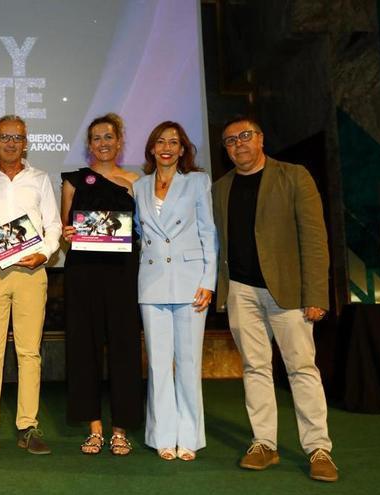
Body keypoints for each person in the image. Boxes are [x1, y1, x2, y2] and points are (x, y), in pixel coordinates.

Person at [213, 116, 337, 482]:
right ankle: (264, 443)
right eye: (230, 141)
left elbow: (315, 240)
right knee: (254, 368)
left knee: (301, 368)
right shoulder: (220, 188)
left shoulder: (294, 176)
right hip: (241, 290)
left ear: (261, 138)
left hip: (289, 293)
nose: (238, 145)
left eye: (245, 136)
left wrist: (316, 294)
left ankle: (318, 448)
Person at [0, 115, 62, 456]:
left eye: (17, 137)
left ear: (26, 142)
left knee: (29, 352)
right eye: (4, 137)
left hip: (32, 272)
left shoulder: (40, 179)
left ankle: (27, 426)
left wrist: (45, 254)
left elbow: (53, 225)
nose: (10, 143)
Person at [60, 113, 143, 456]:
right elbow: (66, 229)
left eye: (109, 137)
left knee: (124, 348)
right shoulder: (73, 181)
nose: (103, 143)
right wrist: (66, 234)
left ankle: (120, 428)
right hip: (83, 272)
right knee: (84, 347)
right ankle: (94, 427)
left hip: (123, 272)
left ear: (120, 141)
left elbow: (144, 228)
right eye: (96, 138)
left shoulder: (137, 181)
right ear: (89, 144)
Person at [134, 121, 217, 461]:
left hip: (190, 281)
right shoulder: (139, 186)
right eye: (160, 142)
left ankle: (190, 437)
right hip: (151, 282)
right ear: (152, 149)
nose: (166, 147)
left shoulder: (197, 182)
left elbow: (208, 232)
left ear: (183, 149)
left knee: (187, 362)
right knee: (157, 364)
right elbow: (137, 233)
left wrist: (208, 281)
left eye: (174, 142)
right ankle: (163, 436)